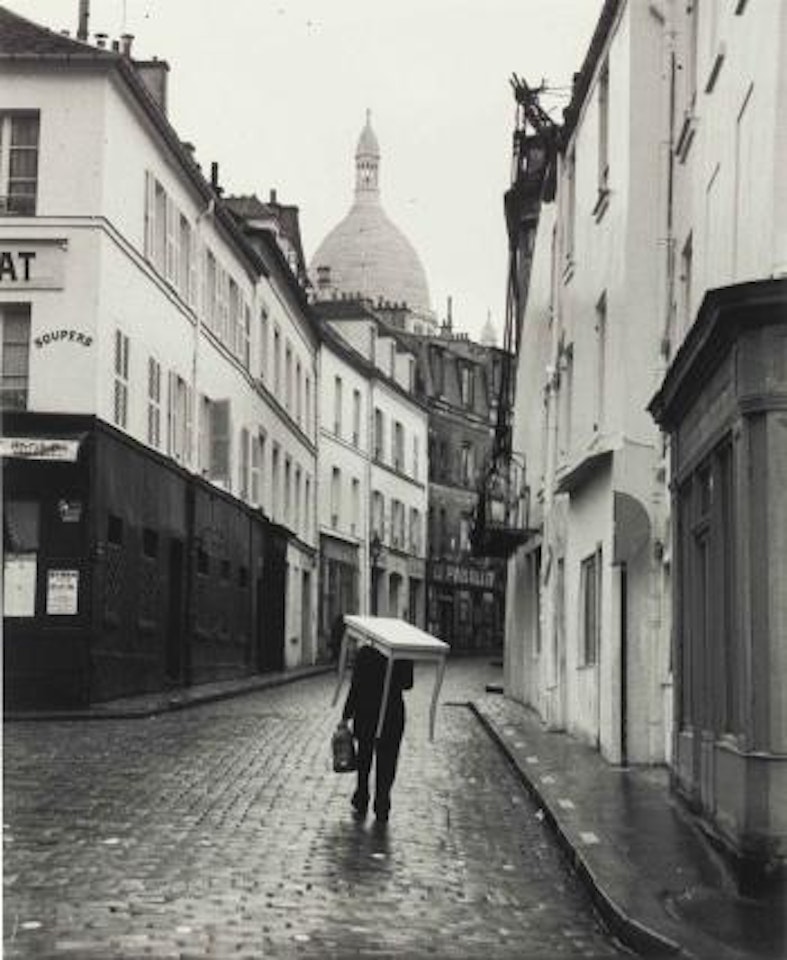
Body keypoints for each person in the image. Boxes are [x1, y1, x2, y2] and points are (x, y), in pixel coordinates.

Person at [341, 643, 414, 825]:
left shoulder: (365, 653)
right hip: (392, 714)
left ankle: (362, 796)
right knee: (387, 760)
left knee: (364, 757)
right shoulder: (401, 653)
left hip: (366, 711)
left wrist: (347, 714)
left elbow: (355, 685)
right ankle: (382, 802)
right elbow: (408, 683)